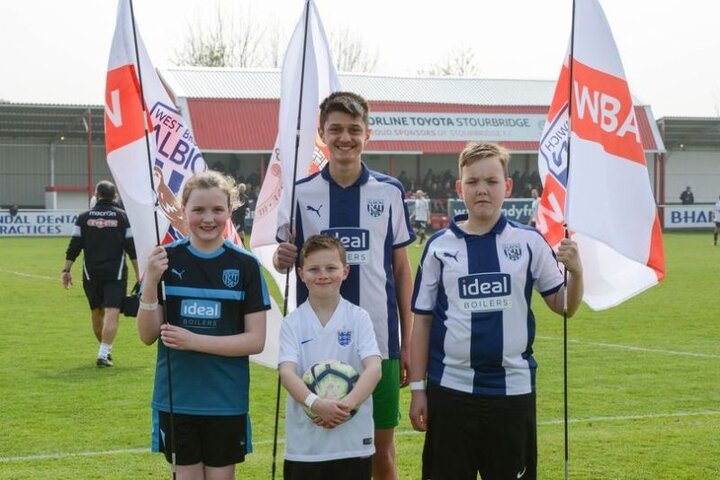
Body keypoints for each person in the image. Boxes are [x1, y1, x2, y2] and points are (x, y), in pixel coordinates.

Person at [408, 142, 584, 480]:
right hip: (450, 393)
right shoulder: (439, 246)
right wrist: (418, 390)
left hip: (512, 395)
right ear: (460, 188)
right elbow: (423, 323)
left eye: (491, 181)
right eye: (473, 182)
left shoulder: (529, 242)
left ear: (508, 186)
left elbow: (564, 306)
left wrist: (576, 273)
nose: (482, 190)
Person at [274, 91, 415, 480]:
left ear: (368, 134)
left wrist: (406, 341)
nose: (345, 138)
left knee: (381, 451)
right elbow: (289, 257)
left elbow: (402, 270)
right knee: (322, 449)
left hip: (380, 343)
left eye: (354, 129)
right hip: (315, 344)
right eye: (335, 129)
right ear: (322, 133)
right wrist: (281, 257)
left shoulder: (389, 192)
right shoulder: (302, 192)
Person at [137, 171, 269, 480]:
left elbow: (256, 340)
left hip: (226, 400)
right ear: (183, 210)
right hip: (177, 398)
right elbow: (146, 335)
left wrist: (193, 341)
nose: (208, 218)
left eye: (217, 210)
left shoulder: (245, 265)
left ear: (230, 211)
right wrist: (150, 281)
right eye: (198, 210)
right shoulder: (165, 260)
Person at [279, 234, 382, 480]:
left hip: (352, 443)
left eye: (331, 268)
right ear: (301, 274)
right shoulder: (293, 322)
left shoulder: (359, 317)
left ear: (345, 271)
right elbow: (286, 373)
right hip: (305, 447)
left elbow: (374, 368)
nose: (322, 274)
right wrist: (316, 403)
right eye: (314, 269)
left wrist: (346, 406)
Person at [61, 180, 138, 368]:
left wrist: (66, 270)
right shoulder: (123, 218)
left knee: (97, 313)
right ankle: (104, 352)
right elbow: (132, 249)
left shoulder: (83, 218)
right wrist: (140, 275)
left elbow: (74, 246)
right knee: (112, 312)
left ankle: (104, 351)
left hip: (90, 274)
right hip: (115, 274)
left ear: (96, 195)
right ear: (115, 196)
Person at [231, 182, 249, 246]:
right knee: (237, 230)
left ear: (245, 189)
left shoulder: (246, 197)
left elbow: (247, 206)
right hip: (236, 216)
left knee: (240, 230)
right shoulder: (235, 196)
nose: (242, 189)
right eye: (241, 188)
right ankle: (238, 244)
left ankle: (241, 244)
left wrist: (246, 210)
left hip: (241, 216)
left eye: (243, 188)